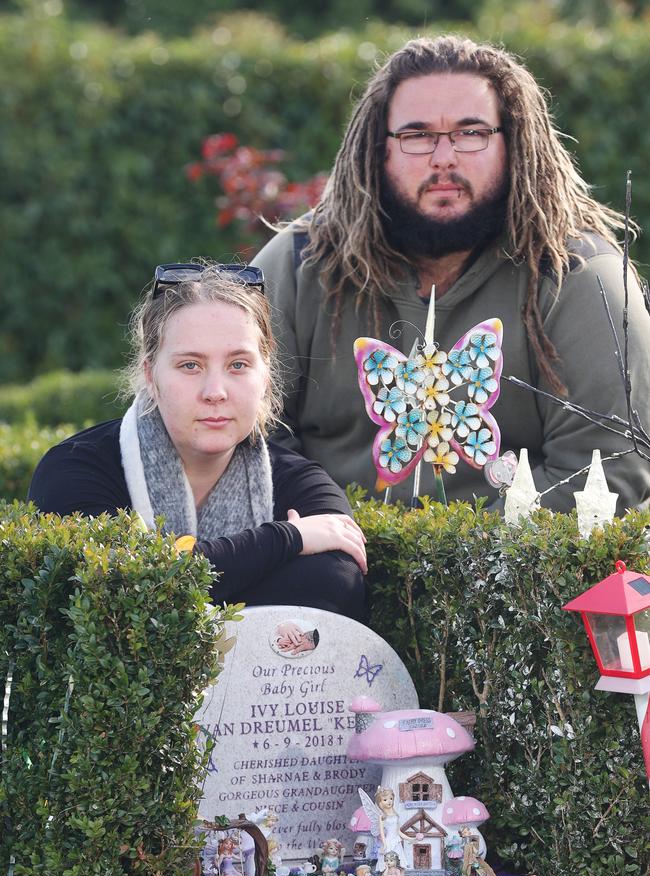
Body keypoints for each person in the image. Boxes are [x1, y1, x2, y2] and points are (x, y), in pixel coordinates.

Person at [253, 34, 650, 512]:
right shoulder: (300, 265)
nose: (444, 157)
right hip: (326, 570)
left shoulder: (578, 274)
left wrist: (453, 560)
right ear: (379, 150)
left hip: (518, 577)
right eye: (417, 135)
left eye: (471, 132)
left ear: (514, 142)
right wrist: (328, 541)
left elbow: (604, 471)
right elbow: (243, 440)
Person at [28, 262, 367, 618]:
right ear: (150, 375)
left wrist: (183, 579)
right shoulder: (75, 469)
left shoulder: (301, 482)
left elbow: (337, 584)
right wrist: (286, 539)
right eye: (190, 365)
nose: (215, 392)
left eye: (238, 365)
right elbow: (119, 590)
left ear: (265, 375)